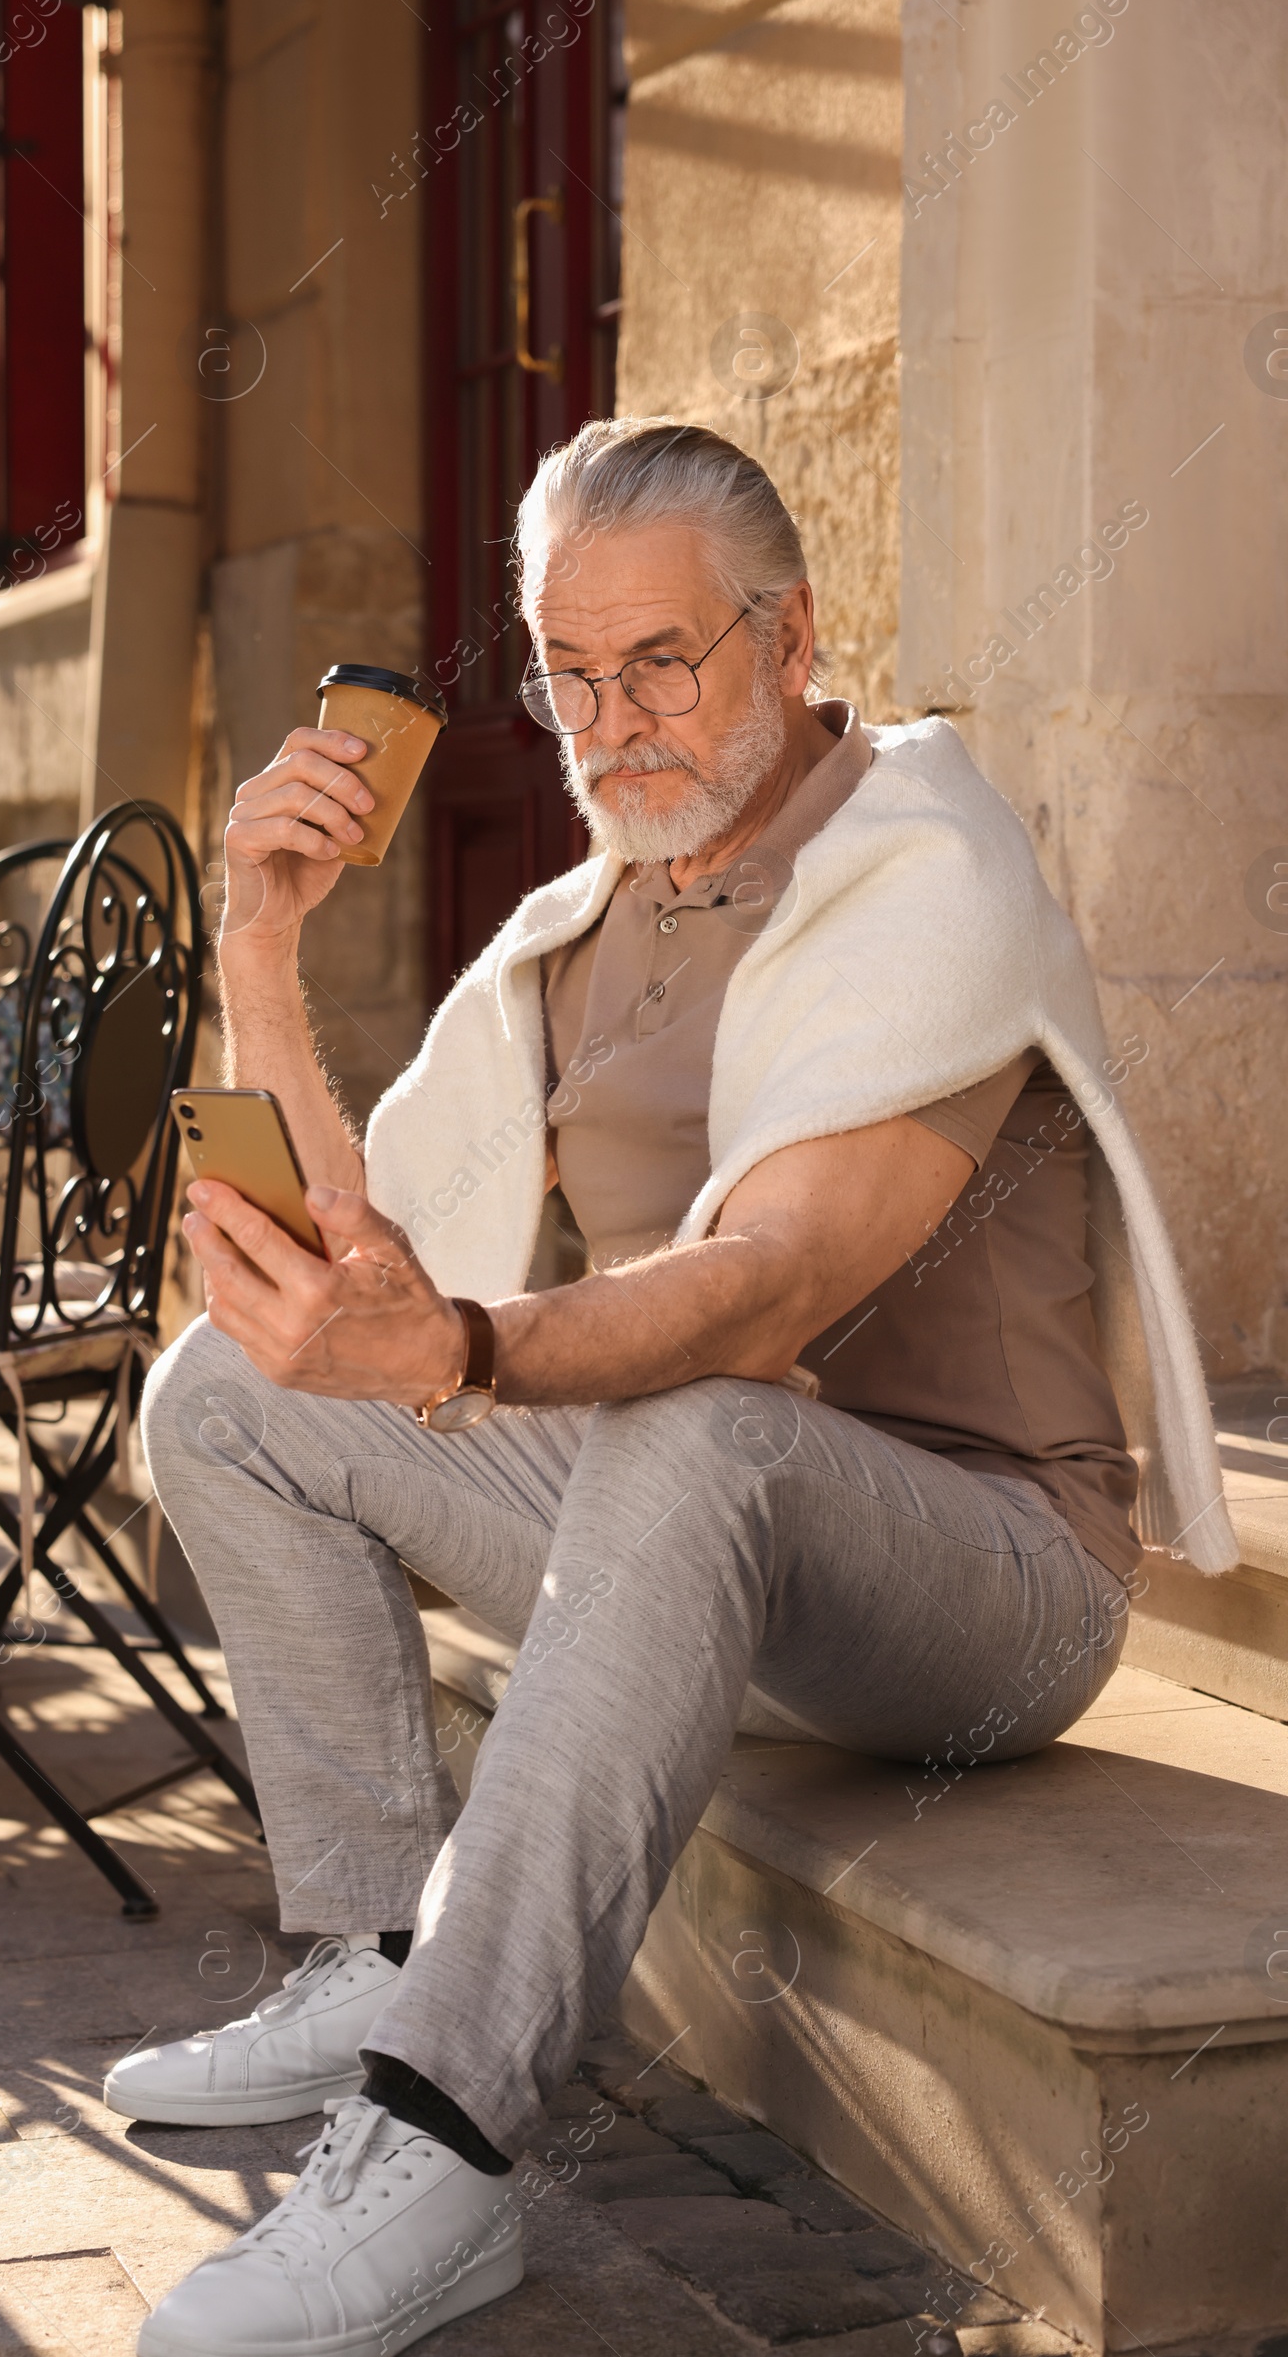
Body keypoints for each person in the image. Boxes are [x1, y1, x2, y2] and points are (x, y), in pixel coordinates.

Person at [112, 420, 1230, 2357]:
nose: (607, 721)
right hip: (687, 1517)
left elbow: (763, 1292)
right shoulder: (582, 922)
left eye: (659, 662)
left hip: (978, 1579)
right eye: (564, 674)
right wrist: (260, 947)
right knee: (228, 1393)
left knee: (701, 1417)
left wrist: (455, 1353)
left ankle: (441, 2134)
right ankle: (379, 1951)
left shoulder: (919, 853)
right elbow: (376, 1256)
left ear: (785, 638)